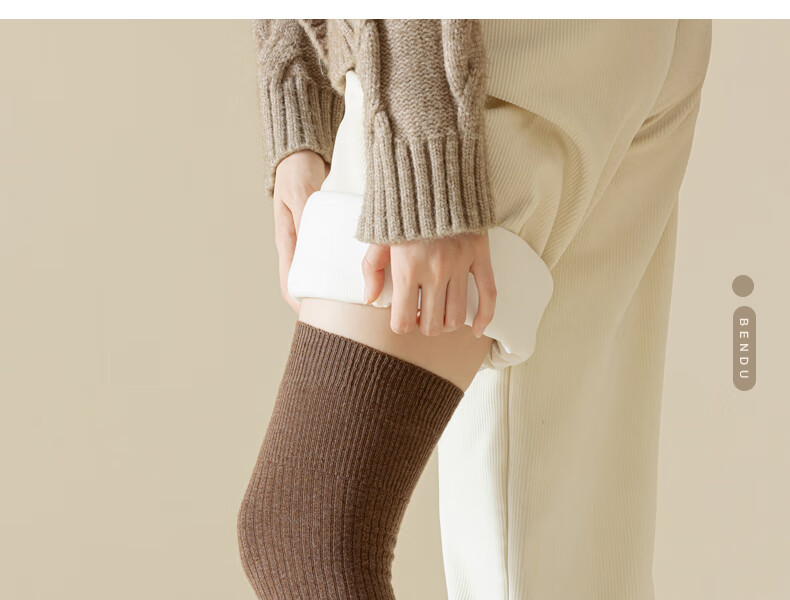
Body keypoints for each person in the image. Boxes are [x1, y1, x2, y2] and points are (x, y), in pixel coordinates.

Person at [236, 19, 713, 600]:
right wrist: (299, 81)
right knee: (545, 576)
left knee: (304, 534)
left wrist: (421, 128)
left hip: (458, 51)